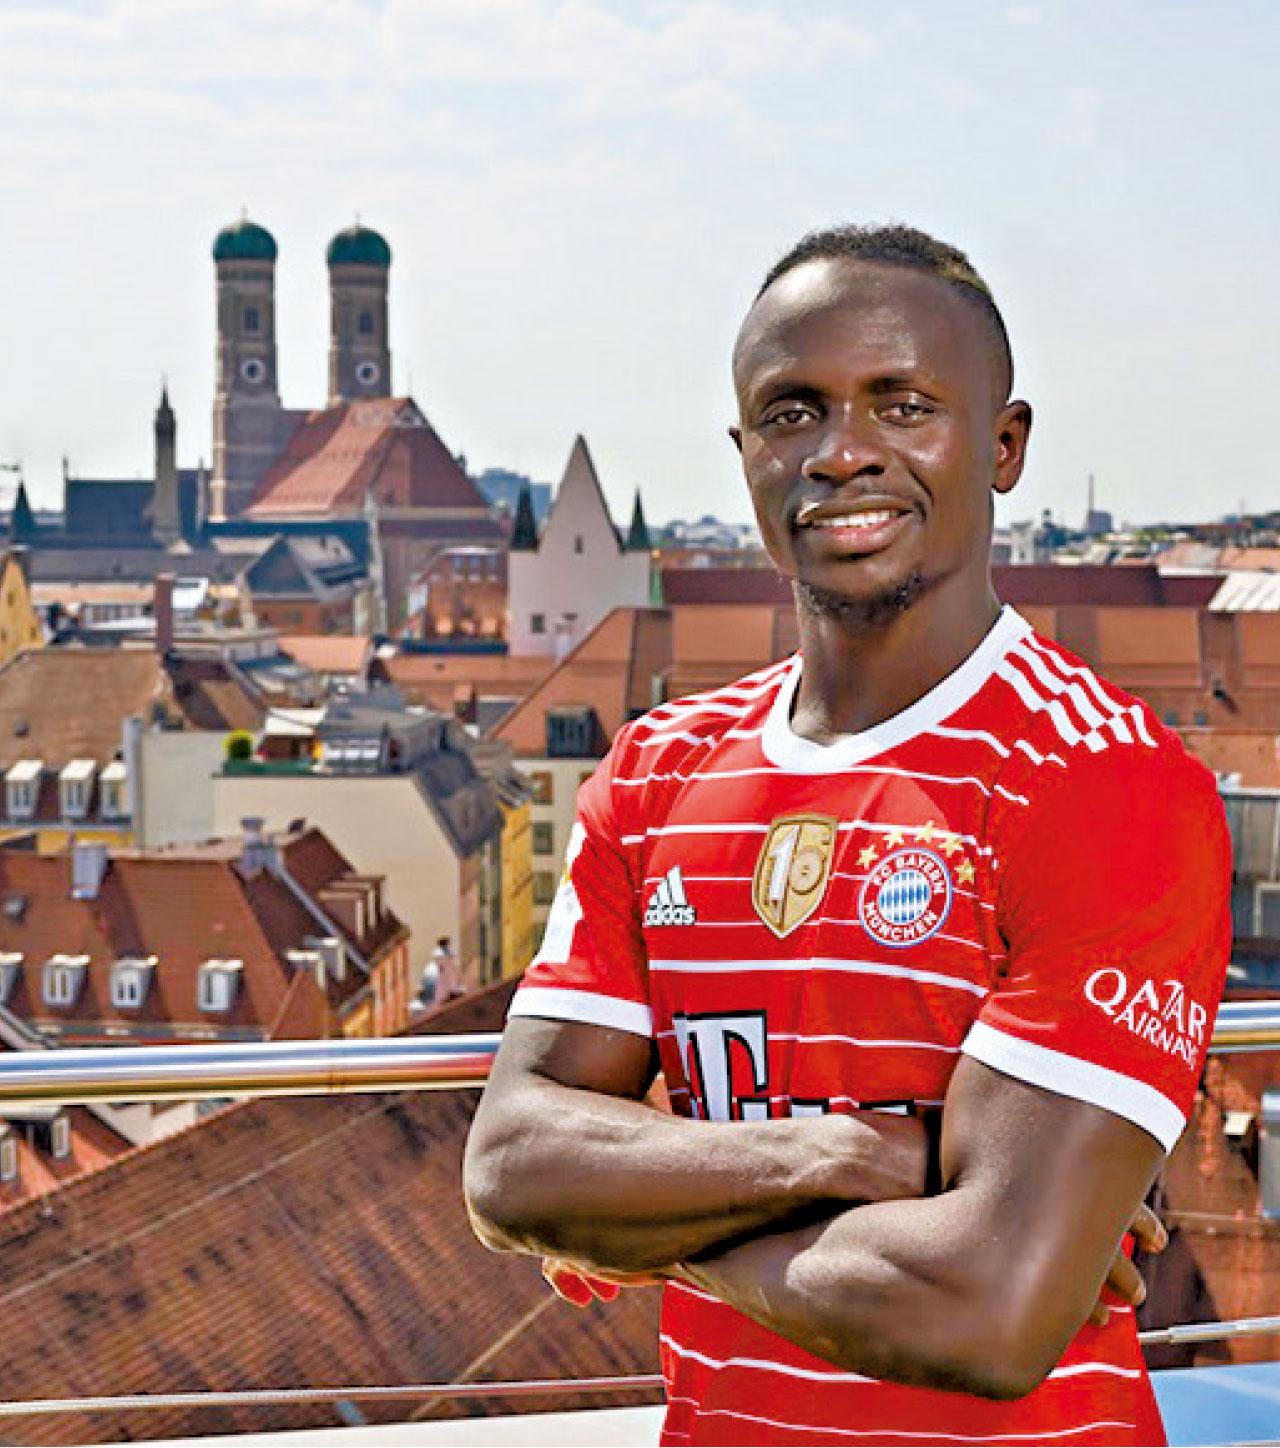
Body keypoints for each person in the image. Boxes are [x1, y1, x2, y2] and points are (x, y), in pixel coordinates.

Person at [463, 224, 1231, 1446]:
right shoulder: (656, 771)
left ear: (1003, 444)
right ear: (744, 455)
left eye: (902, 404)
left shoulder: (1102, 781)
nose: (840, 451)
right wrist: (835, 1151)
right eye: (791, 412)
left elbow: (984, 1309)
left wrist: (649, 1223)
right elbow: (510, 1165)